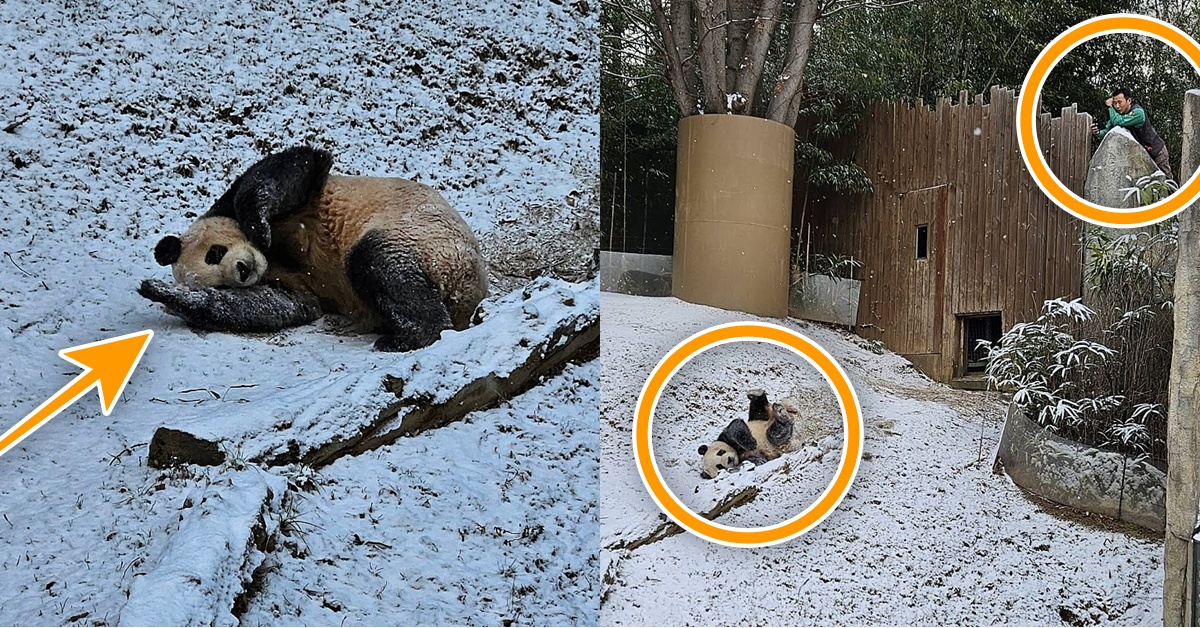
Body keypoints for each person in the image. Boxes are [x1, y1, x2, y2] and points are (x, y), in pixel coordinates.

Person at [1090, 87, 1173, 180]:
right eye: (1114, 103)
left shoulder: (1138, 112)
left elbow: (1118, 121)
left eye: (1120, 102)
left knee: (1166, 182)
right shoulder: (1119, 115)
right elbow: (1107, 131)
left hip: (1157, 152)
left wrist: (1110, 107)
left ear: (1129, 100)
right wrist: (1097, 132)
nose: (1117, 106)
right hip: (1142, 155)